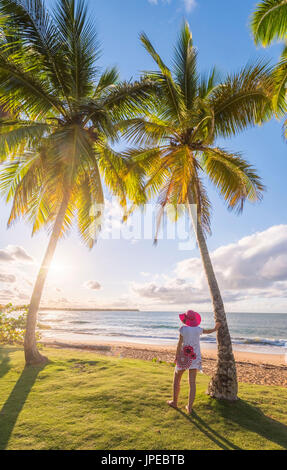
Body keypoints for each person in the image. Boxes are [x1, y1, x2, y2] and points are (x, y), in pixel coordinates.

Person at [167, 310, 221, 414]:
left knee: (176, 379)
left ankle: (174, 402)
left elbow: (179, 344)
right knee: (192, 383)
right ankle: (189, 407)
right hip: (194, 357)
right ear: (195, 319)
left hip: (184, 358)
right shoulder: (198, 329)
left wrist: (176, 356)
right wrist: (215, 328)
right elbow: (208, 331)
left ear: (186, 319)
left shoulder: (183, 329)